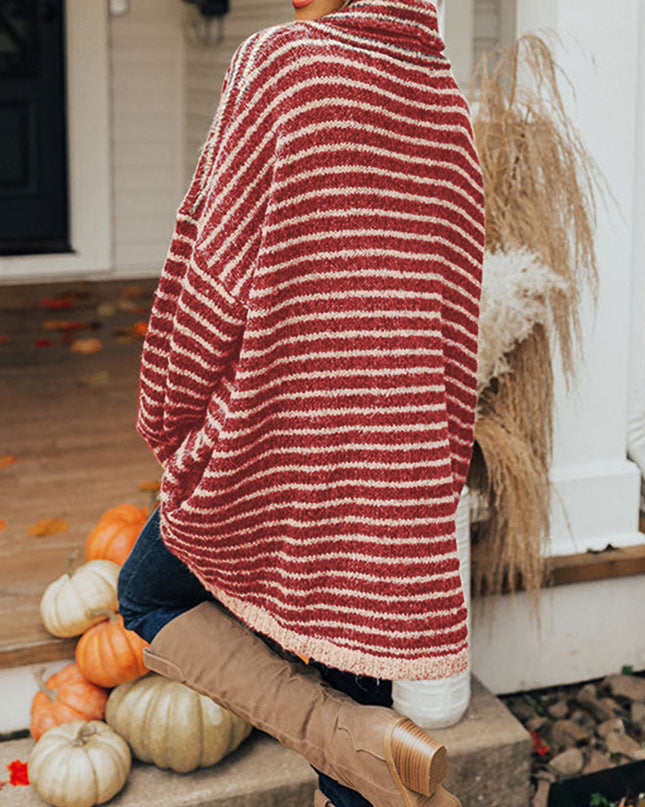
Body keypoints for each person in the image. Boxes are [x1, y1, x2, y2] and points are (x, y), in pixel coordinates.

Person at [118, 0, 485, 805]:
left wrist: (168, 414)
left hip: (279, 443)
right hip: (399, 467)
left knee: (147, 593)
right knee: (351, 685)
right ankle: (370, 749)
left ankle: (361, 748)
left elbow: (208, 276)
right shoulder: (446, 103)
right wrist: (431, 471)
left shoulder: (283, 62)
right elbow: (461, 319)